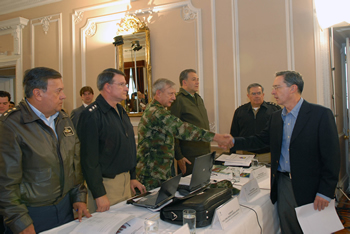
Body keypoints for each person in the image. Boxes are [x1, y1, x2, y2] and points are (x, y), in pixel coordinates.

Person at [231, 70, 340, 233]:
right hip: (283, 183)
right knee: (289, 228)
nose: (273, 92)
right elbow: (260, 140)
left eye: (277, 87)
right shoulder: (276, 117)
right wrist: (233, 140)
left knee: (315, 229)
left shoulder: (321, 115)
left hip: (311, 186)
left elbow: (331, 157)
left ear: (293, 88)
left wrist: (325, 192)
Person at [0, 67, 91, 234]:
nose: (63, 96)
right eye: (58, 91)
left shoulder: (63, 119)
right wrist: (20, 222)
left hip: (65, 208)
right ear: (38, 93)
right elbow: (5, 183)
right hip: (33, 214)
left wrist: (79, 197)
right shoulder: (11, 126)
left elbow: (74, 164)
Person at [136, 78, 234, 191]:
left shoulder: (159, 110)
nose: (174, 97)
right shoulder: (156, 113)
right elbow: (182, 129)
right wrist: (217, 137)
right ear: (158, 93)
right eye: (171, 94)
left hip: (160, 172)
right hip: (151, 175)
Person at [77, 68, 146, 214]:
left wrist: (132, 177)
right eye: (121, 84)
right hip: (106, 186)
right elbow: (89, 160)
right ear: (107, 87)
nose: (126, 88)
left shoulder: (120, 111)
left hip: (125, 182)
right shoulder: (92, 115)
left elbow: (128, 148)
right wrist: (99, 193)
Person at [170, 69, 211, 176]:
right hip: (189, 156)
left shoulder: (198, 98)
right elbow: (173, 130)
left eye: (197, 80)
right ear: (184, 82)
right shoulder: (178, 100)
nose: (197, 82)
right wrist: (179, 156)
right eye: (193, 80)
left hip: (204, 151)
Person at [230, 83, 281, 163]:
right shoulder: (240, 111)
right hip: (246, 155)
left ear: (263, 94)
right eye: (253, 94)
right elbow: (234, 133)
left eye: (259, 93)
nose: (257, 96)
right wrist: (232, 155)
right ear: (248, 96)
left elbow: (279, 133)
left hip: (268, 155)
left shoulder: (274, 110)